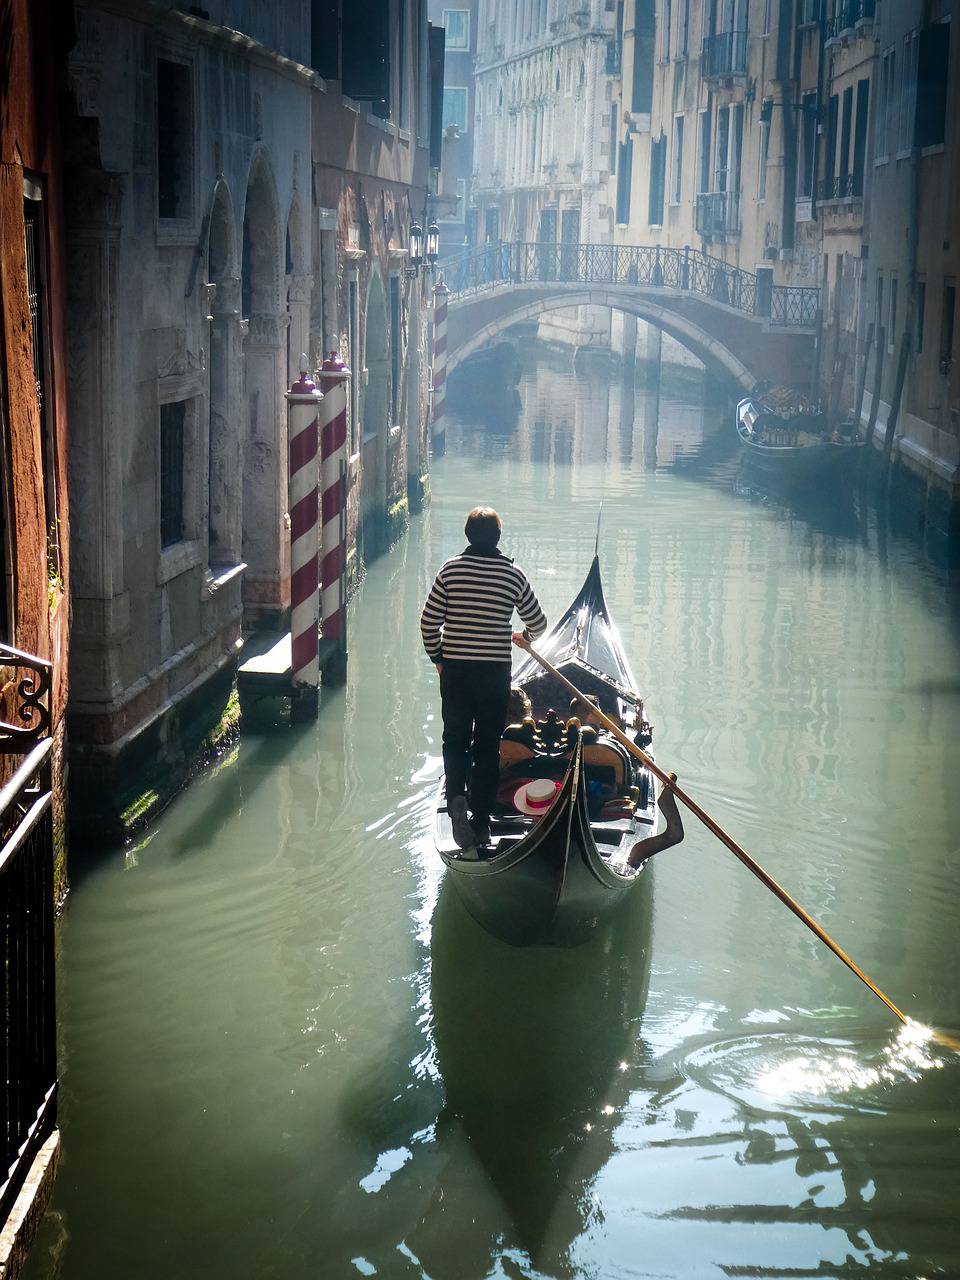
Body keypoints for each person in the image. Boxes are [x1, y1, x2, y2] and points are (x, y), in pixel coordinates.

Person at [421, 507, 547, 849]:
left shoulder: (450, 570)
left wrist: (439, 659)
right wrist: (525, 637)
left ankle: (456, 799)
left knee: (455, 739)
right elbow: (538, 622)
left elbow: (428, 623)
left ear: (467, 536)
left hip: (457, 670)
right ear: (498, 538)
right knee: (487, 746)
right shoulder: (512, 574)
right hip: (493, 671)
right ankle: (481, 819)